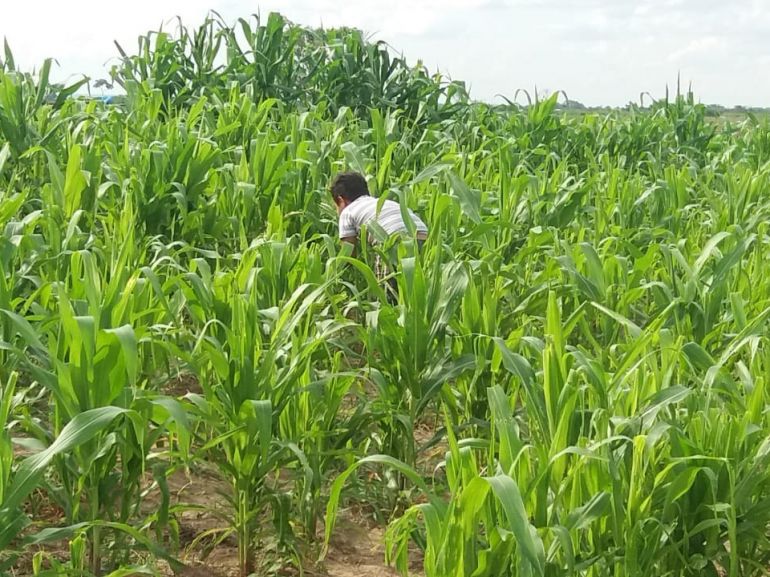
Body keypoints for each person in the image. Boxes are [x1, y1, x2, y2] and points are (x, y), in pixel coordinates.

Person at [330, 171, 428, 300]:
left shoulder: (348, 212)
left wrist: (336, 278)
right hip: (425, 240)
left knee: (388, 297)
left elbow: (348, 255)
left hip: (394, 244)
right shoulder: (386, 203)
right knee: (420, 292)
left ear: (340, 200)